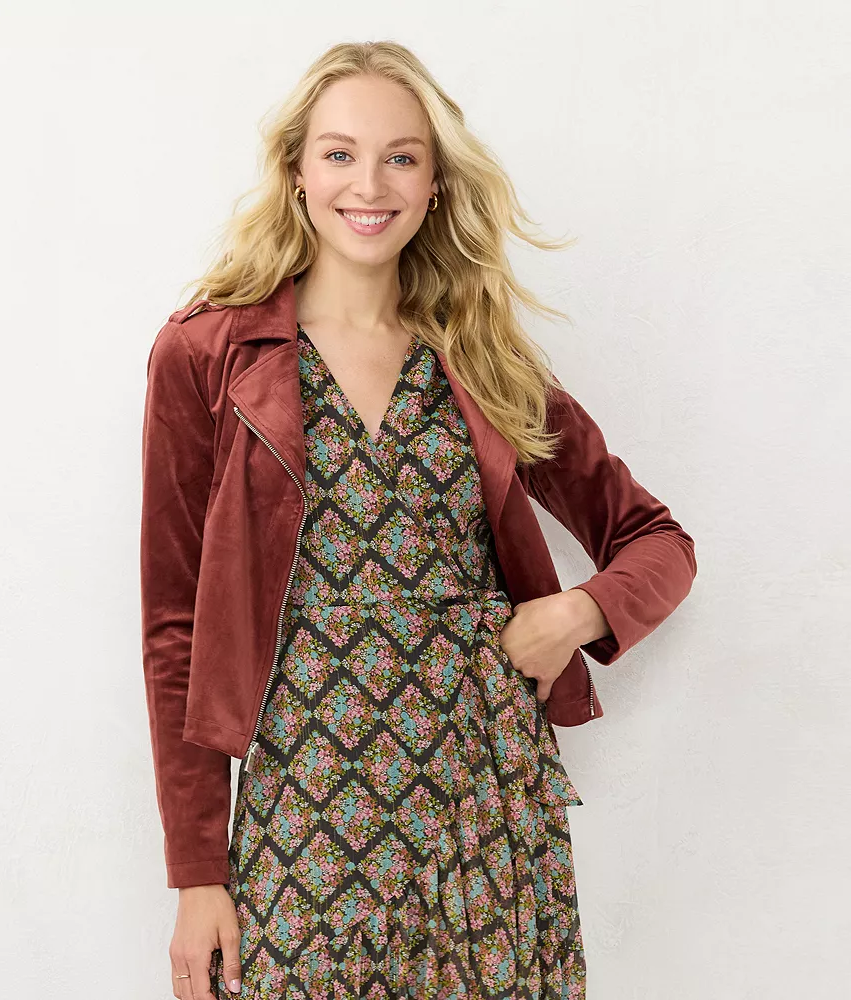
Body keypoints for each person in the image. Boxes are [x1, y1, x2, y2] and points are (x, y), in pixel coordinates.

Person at [139, 40, 697, 1000]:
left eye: (401, 156)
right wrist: (197, 873)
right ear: (297, 172)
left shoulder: (481, 358)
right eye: (340, 154)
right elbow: (175, 627)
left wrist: (576, 614)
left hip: (486, 801)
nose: (370, 184)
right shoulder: (207, 353)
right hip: (304, 809)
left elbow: (657, 542)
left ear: (436, 184)